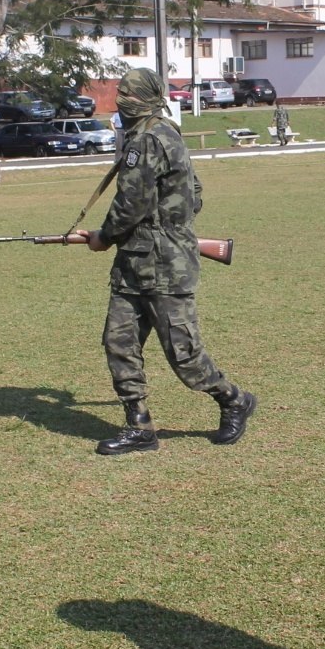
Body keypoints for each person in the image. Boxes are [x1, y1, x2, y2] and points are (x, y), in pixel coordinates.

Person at [85, 67, 256, 456]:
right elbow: (193, 194)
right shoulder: (159, 133)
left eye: (126, 97)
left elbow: (132, 203)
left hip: (165, 266)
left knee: (183, 354)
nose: (120, 104)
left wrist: (104, 237)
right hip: (135, 263)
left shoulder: (148, 140)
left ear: (140, 100)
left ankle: (233, 399)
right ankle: (139, 426)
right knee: (119, 342)